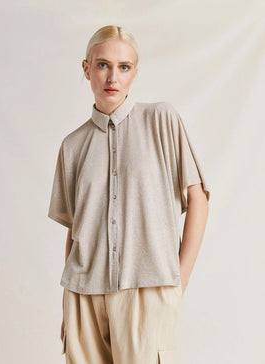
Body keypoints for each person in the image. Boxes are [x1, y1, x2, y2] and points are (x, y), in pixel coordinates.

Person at [48, 25, 210, 364]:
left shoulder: (161, 120)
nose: (112, 77)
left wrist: (179, 280)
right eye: (103, 64)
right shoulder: (72, 147)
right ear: (86, 68)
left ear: (134, 72)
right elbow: (75, 232)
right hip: (83, 298)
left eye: (124, 67)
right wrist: (67, 304)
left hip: (147, 289)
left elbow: (199, 199)